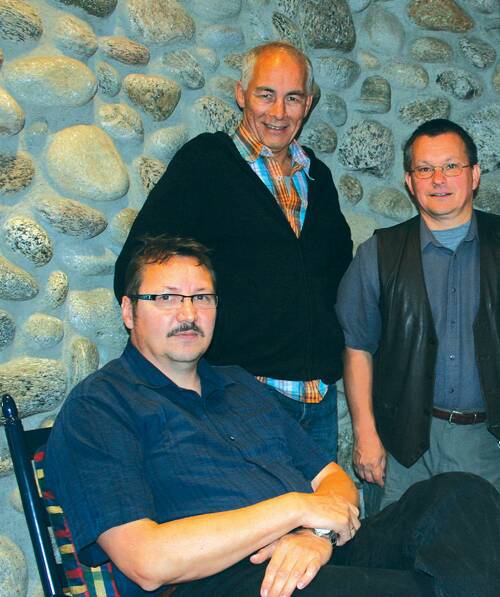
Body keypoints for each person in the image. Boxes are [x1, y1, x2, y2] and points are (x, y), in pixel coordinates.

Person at [45, 235, 500, 597]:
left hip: (314, 553)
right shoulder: (100, 407)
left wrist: (313, 534)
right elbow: (147, 562)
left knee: (458, 493)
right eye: (166, 298)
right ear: (129, 311)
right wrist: (293, 509)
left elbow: (332, 479)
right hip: (226, 579)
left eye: (202, 297)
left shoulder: (239, 385)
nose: (188, 313)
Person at [113, 41, 353, 460]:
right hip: (242, 397)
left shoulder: (317, 176)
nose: (278, 112)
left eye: (293, 97)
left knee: (327, 506)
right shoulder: (206, 164)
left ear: (308, 104)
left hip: (318, 401)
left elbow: (339, 276)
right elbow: (138, 265)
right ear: (241, 94)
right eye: (266, 94)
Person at [336, 118, 500, 511]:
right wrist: (365, 435)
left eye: (451, 166)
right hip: (403, 448)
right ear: (410, 182)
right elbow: (358, 348)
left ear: (474, 175)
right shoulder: (379, 254)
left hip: (486, 445)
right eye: (425, 169)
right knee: (395, 546)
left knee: (479, 547)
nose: (438, 179)